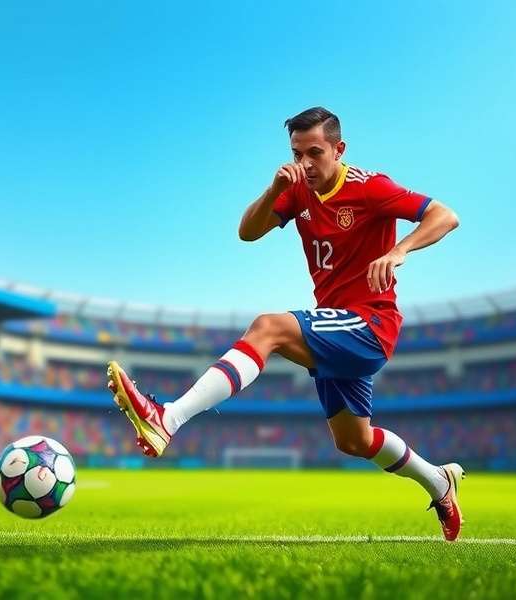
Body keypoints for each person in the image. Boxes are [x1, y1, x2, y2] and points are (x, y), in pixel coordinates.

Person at [107, 107, 465, 540]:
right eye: (298, 154)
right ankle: (438, 482)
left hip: (369, 325)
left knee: (269, 328)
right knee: (353, 440)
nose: (306, 164)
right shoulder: (297, 188)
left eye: (315, 153)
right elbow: (248, 232)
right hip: (336, 325)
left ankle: (169, 418)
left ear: (339, 149)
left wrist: (399, 250)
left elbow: (445, 215)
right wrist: (276, 187)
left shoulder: (371, 188)